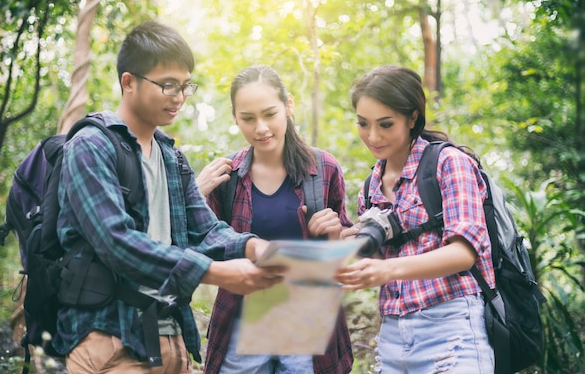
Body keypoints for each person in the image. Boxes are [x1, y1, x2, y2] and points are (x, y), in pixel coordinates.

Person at [53, 21, 284, 374]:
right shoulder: (91, 147)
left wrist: (256, 248)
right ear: (128, 82)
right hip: (110, 339)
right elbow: (117, 242)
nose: (178, 97)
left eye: (184, 85)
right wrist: (217, 272)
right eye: (167, 85)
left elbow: (206, 231)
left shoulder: (170, 157)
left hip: (168, 336)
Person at [334, 65, 495, 373]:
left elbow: (464, 253)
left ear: (412, 118)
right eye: (363, 124)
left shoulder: (449, 163)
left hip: (451, 330)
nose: (373, 136)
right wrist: (349, 244)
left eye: (385, 124)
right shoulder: (370, 188)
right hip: (393, 337)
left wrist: (386, 269)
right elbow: (385, 259)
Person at [198, 65, 354, 374]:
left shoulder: (324, 169)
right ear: (234, 117)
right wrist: (197, 194)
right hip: (241, 321)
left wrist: (335, 235)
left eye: (269, 114)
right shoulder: (226, 178)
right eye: (248, 118)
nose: (260, 128)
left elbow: (345, 262)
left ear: (288, 106)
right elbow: (205, 247)